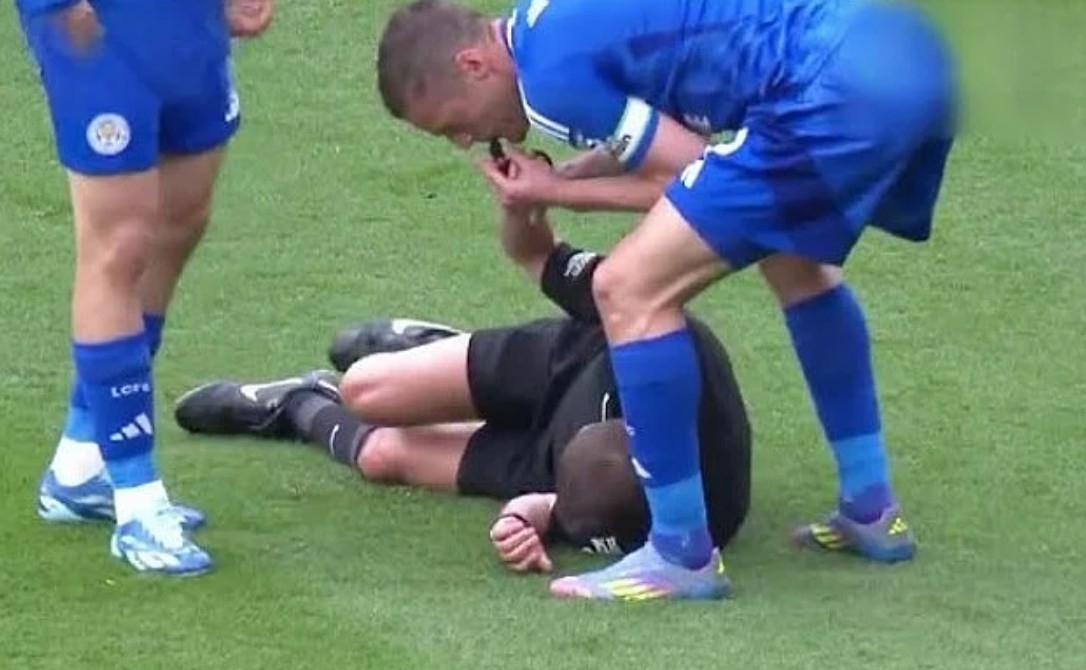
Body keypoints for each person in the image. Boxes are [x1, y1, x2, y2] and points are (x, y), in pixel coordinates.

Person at [375, 0, 957, 599]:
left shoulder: (546, 81)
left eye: (452, 125)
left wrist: (559, 194)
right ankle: (870, 506)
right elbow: (668, 129)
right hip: (904, 50)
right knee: (794, 260)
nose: (466, 141)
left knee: (627, 289)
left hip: (831, 85)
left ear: (473, 65)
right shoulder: (550, 29)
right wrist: (567, 178)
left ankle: (681, 554)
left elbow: (685, 168)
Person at [172, 204, 753, 598]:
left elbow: (561, 510)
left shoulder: (695, 524)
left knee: (381, 456)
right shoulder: (665, 353)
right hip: (565, 366)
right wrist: (526, 211)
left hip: (549, 470)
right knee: (366, 387)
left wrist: (532, 517)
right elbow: (555, 263)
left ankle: (298, 403)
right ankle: (435, 347)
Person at [19, 0, 274, 576]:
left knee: (180, 220)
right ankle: (138, 501)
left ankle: (82, 464)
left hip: (188, 21)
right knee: (119, 244)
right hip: (96, 24)